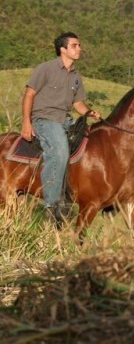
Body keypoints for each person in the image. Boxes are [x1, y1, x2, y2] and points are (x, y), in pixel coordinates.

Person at [20, 32, 102, 225]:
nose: (79, 48)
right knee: (59, 151)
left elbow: (78, 104)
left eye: (79, 45)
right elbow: (29, 95)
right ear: (63, 49)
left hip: (65, 120)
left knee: (91, 143)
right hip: (44, 119)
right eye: (75, 45)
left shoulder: (75, 76)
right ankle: (53, 205)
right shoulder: (46, 69)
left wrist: (90, 113)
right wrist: (26, 121)